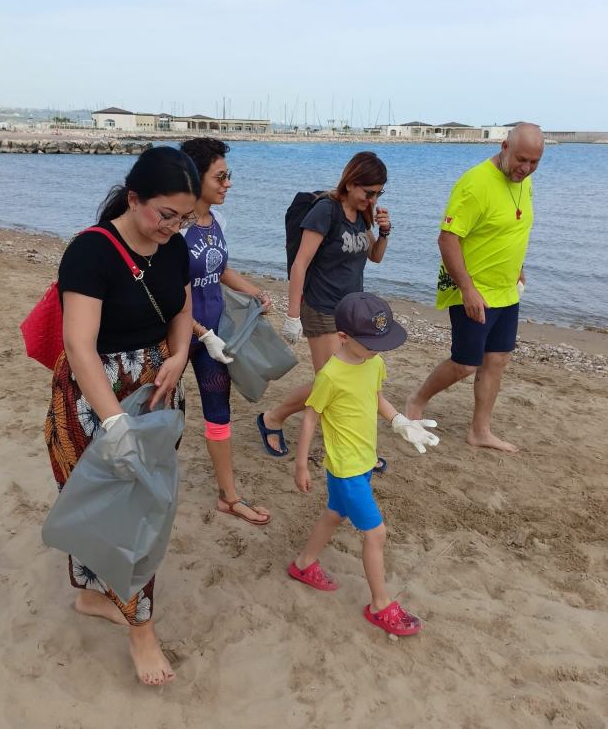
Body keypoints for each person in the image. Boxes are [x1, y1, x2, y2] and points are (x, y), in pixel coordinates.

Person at [44, 146, 199, 686]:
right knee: (111, 510)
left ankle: (95, 599)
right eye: (165, 214)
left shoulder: (175, 247)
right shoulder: (91, 253)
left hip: (156, 389)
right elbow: (79, 346)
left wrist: (179, 357)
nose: (174, 227)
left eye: (185, 217)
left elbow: (182, 310)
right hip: (95, 400)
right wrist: (114, 425)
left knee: (143, 509)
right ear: (134, 199)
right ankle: (140, 630)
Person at [258, 151, 435, 467]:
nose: (373, 198)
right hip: (321, 307)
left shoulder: (361, 215)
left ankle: (347, 446)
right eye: (369, 192)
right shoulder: (326, 211)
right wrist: (293, 315)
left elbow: (375, 257)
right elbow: (300, 264)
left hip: (354, 313)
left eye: (379, 192)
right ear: (351, 183)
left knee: (348, 379)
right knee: (332, 381)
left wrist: (385, 232)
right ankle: (274, 418)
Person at [288, 292, 434, 636]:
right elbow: (311, 417)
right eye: (370, 343)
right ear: (343, 337)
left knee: (335, 514)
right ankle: (380, 605)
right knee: (376, 533)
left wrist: (399, 421)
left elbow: (376, 397)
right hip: (345, 467)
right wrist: (301, 464)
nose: (377, 350)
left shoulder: (375, 362)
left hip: (365, 459)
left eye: (381, 343)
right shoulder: (331, 375)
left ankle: (303, 564)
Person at [406, 122, 545, 453]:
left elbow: (512, 226)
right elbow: (447, 238)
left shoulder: (524, 181)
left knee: (497, 360)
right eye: (521, 160)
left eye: (534, 162)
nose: (525, 169)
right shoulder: (475, 184)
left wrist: (518, 267)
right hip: (474, 289)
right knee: (466, 363)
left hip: (506, 290)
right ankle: (416, 399)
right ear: (504, 146)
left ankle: (480, 430)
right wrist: (467, 289)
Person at [180, 137, 272, 525]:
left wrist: (256, 293)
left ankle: (228, 497)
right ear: (194, 178)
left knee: (219, 414)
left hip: (213, 339)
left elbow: (220, 269)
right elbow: (171, 297)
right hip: (179, 337)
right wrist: (200, 333)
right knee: (154, 409)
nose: (227, 184)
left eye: (227, 176)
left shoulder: (211, 221)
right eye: (220, 177)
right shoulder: (175, 229)